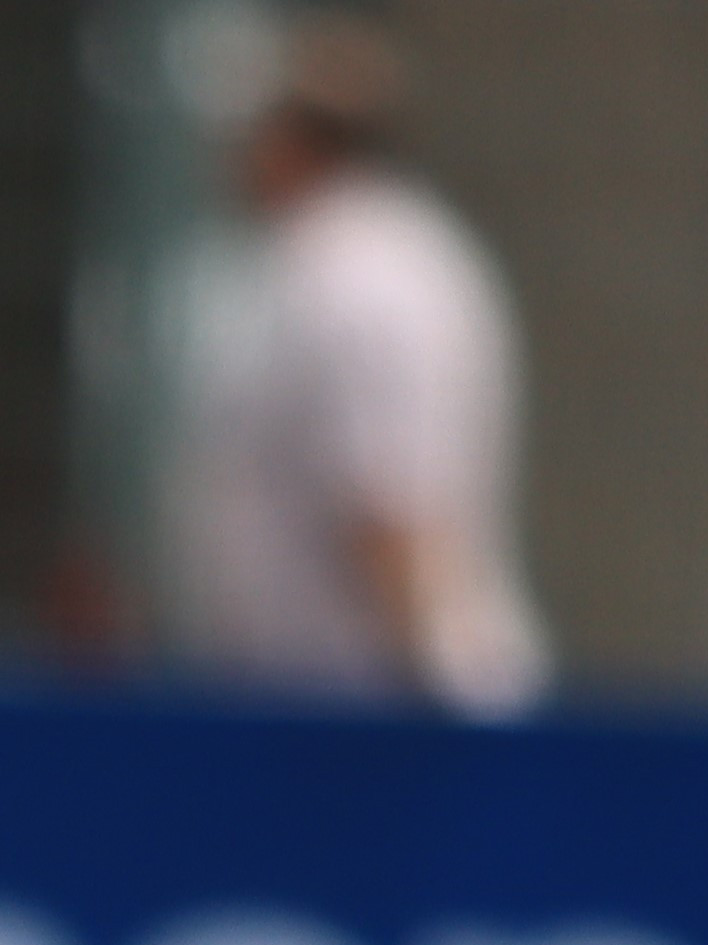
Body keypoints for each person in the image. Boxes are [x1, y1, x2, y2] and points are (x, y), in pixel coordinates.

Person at [166, 14, 548, 713]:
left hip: (377, 717)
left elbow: (390, 509)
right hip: (314, 712)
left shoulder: (365, 276)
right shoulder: (314, 263)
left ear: (292, 140)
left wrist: (422, 715)